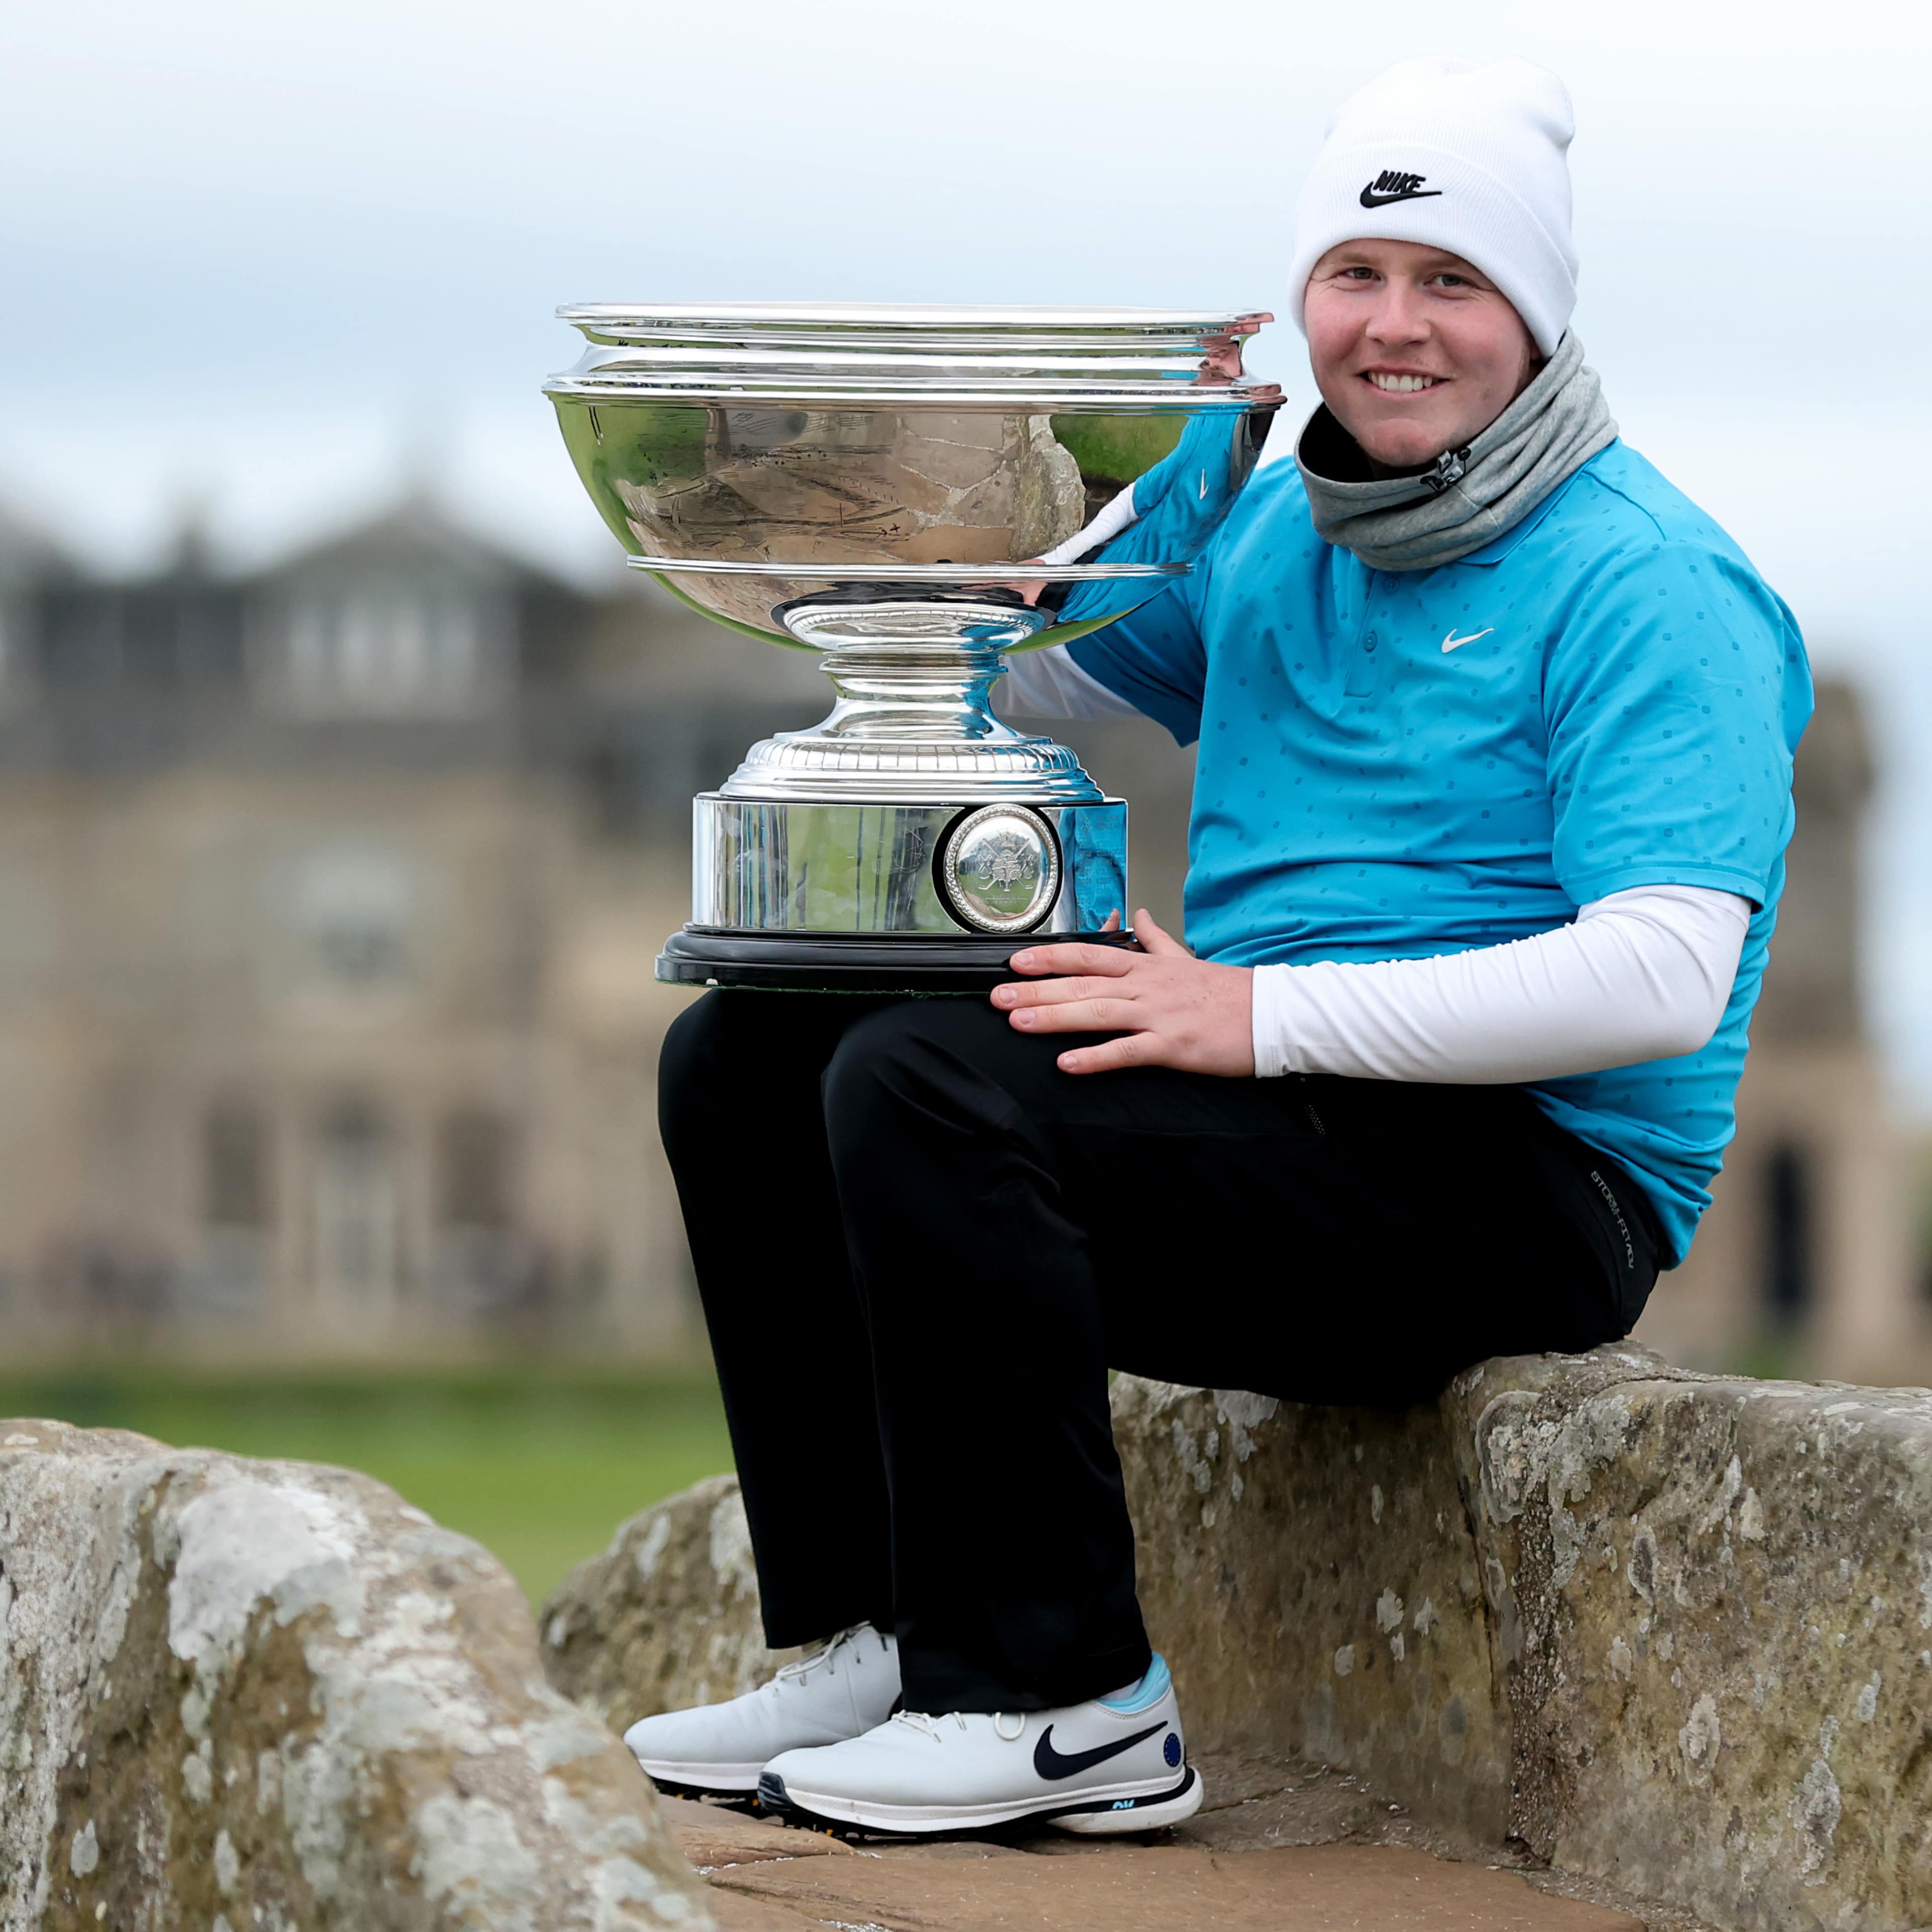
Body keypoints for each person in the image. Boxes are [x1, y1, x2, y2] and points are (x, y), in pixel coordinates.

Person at [625, 54, 1812, 1837]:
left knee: (929, 1077)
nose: (1396, 327)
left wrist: (1248, 1015)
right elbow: (1009, 675)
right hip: (1283, 1120)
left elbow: (1661, 979)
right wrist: (1138, 498)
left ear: (1538, 319)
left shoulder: (1653, 582)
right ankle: (884, 1636)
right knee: (747, 1051)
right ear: (1303, 301)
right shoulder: (1276, 528)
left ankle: (1067, 1700)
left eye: (1454, 283)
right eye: (1358, 276)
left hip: (1535, 1187)